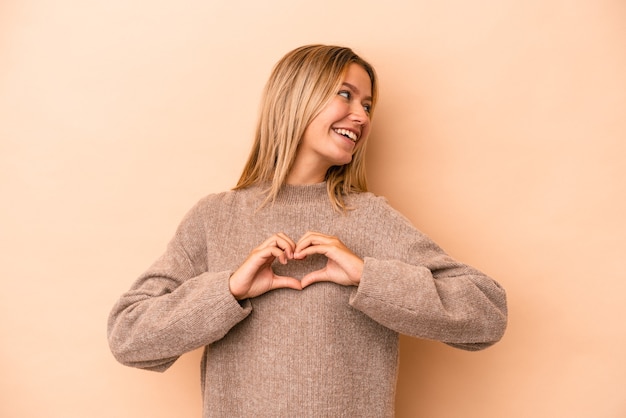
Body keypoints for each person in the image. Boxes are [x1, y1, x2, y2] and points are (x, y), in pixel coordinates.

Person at [107, 44, 507, 417]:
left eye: (368, 105)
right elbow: (129, 337)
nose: (363, 116)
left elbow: (487, 313)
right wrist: (228, 290)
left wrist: (367, 276)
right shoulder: (215, 218)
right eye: (346, 95)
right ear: (296, 98)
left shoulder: (370, 217)